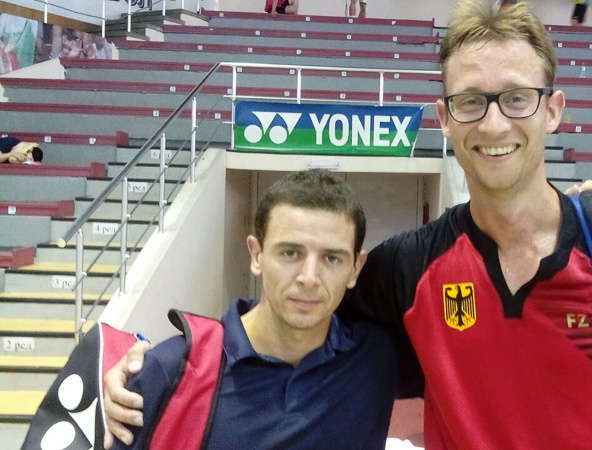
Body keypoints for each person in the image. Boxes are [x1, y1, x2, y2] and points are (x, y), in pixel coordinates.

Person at [105, 1, 592, 449]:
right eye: (470, 102)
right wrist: (162, 366)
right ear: (443, 119)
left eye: (516, 99)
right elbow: (295, 315)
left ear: (553, 110)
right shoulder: (408, 269)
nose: (493, 124)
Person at [110, 170, 403, 449]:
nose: (309, 278)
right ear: (257, 255)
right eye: (290, 253)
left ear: (356, 268)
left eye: (332, 258)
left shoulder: (377, 357)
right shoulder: (170, 370)